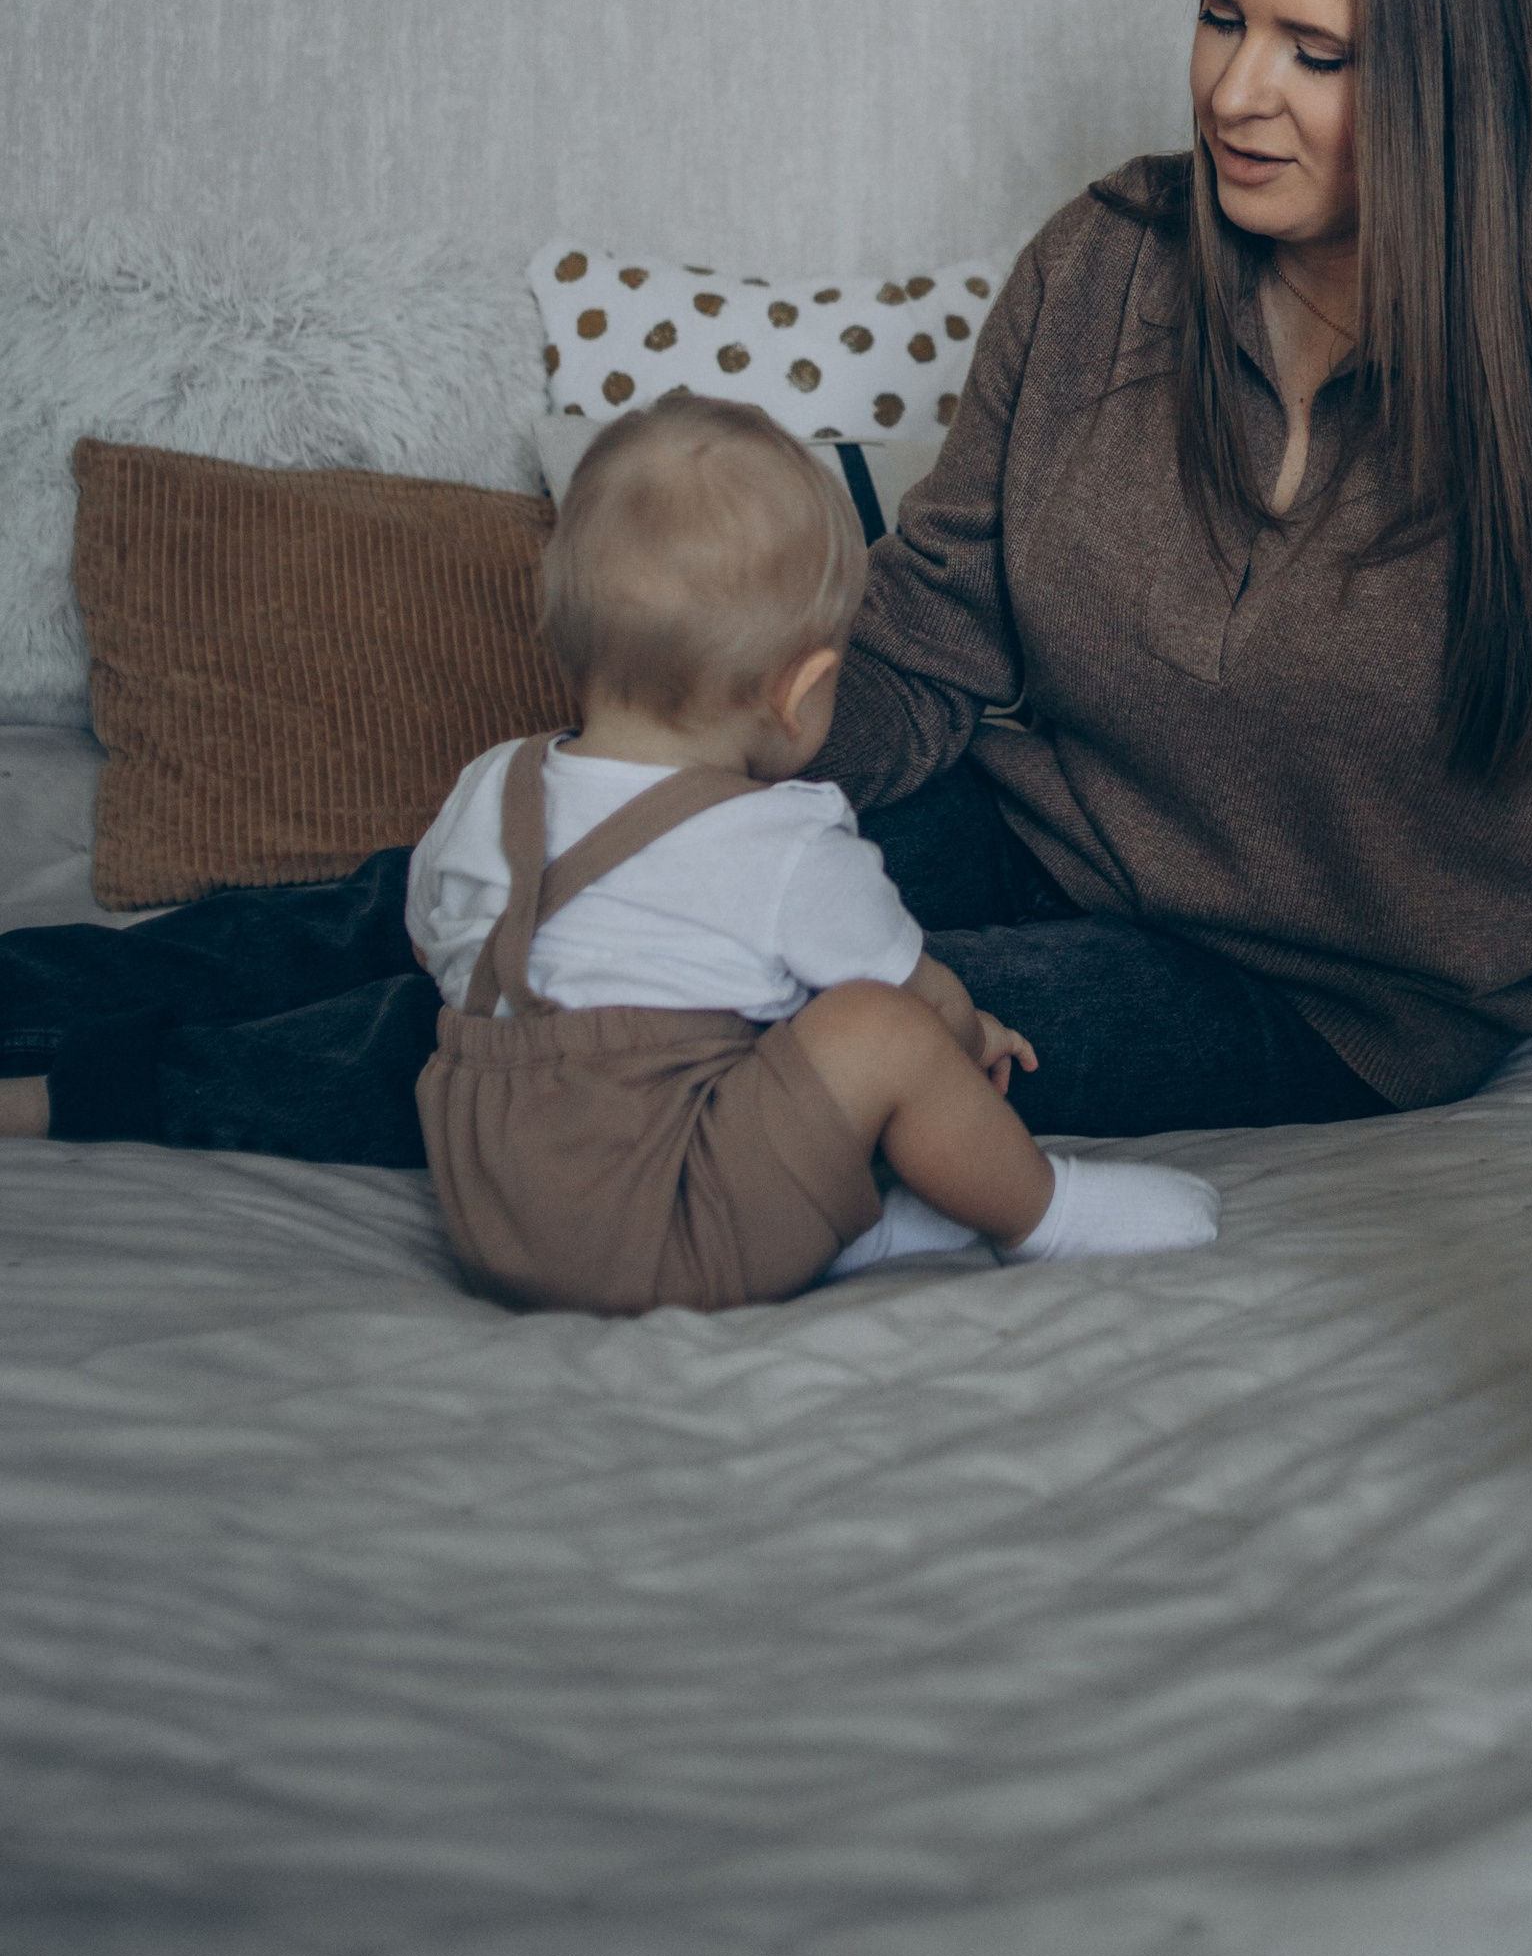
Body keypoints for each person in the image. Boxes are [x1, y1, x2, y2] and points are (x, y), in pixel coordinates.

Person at [0, 0, 1532, 1164]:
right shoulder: (1108, 269)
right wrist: (713, 773)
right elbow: (930, 638)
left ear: (1463, 86)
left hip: (1321, 999)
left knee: (679, 1014)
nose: (1235, 92)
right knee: (532, 870)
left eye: (1315, 52)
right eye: (1220, 17)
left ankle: (96, 1098)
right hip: (1030, 827)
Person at [405, 392, 1216, 1312]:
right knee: (876, 1025)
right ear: (804, 692)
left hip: (496, 1217)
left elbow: (433, 941)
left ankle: (850, 1229)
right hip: (669, 1225)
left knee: (746, 1020)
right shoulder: (785, 837)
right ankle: (1045, 1214)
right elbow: (913, 992)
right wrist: (967, 1035)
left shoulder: (490, 786)